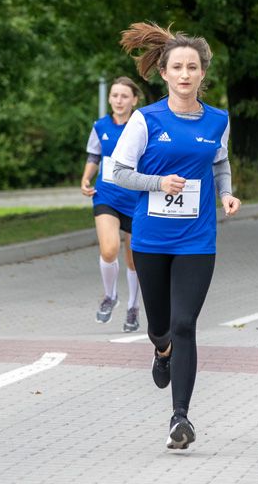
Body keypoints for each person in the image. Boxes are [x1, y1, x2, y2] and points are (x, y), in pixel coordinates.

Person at [111, 22, 241, 449]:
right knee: (161, 327)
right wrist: (157, 184)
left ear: (203, 73)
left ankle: (180, 418)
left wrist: (226, 194)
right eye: (177, 68)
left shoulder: (218, 120)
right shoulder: (146, 120)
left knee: (186, 324)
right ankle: (160, 348)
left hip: (197, 240)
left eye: (193, 67)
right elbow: (119, 172)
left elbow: (219, 163)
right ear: (164, 73)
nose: (185, 75)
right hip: (150, 240)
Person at [80, 77, 143, 332]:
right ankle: (110, 296)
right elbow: (95, 154)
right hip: (106, 195)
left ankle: (132, 307)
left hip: (136, 198)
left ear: (134, 100)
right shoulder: (100, 126)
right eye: (115, 95)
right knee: (109, 249)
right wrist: (86, 178)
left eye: (124, 96)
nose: (119, 100)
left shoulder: (142, 126)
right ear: (109, 98)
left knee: (133, 259)